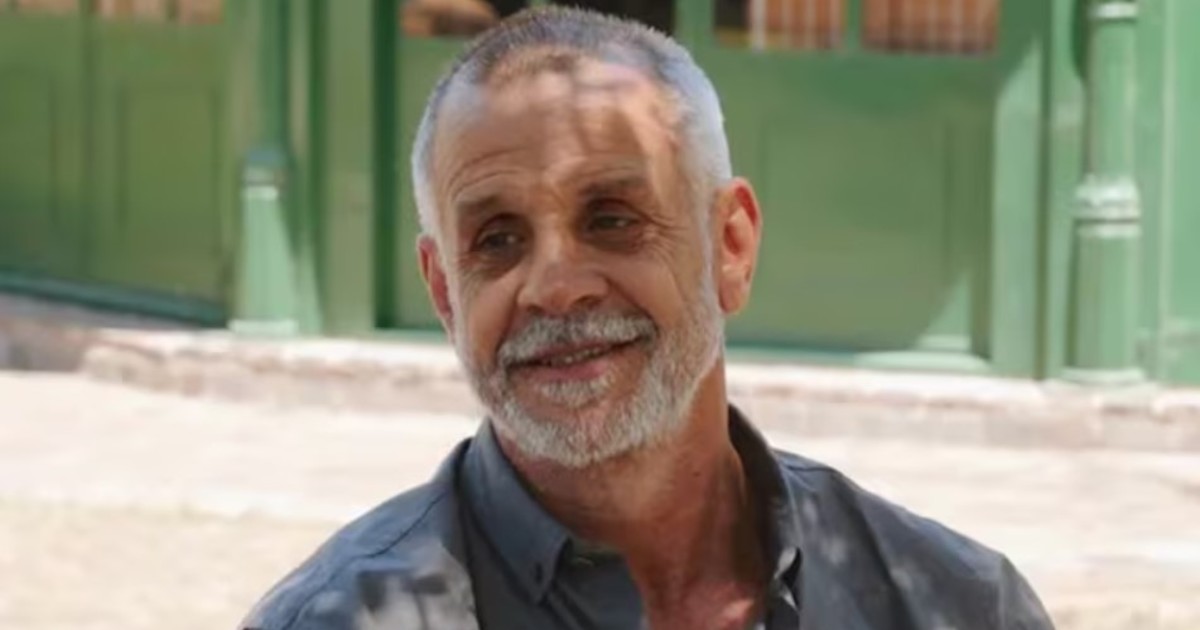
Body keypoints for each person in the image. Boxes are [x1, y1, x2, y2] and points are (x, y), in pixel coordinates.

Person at [240, 7, 1055, 630]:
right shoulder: (334, 621)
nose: (555, 287)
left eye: (612, 219)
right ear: (446, 295)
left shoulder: (954, 606)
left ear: (731, 247)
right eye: (497, 240)